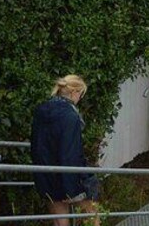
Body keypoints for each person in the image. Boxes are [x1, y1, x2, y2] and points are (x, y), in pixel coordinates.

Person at [31, 75, 100, 226]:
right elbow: (70, 151)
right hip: (71, 176)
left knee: (60, 221)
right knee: (91, 214)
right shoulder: (70, 116)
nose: (80, 99)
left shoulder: (40, 110)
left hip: (46, 175)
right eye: (81, 95)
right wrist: (72, 188)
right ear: (75, 92)